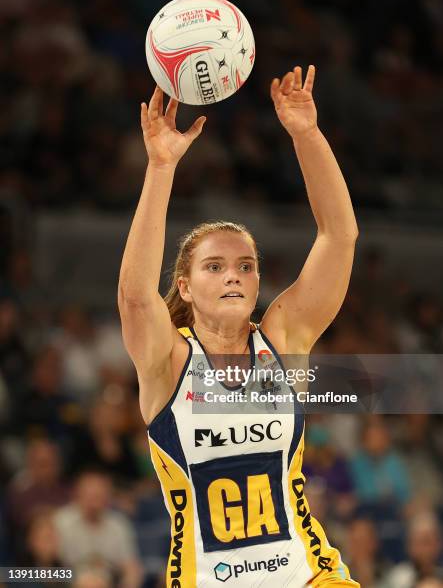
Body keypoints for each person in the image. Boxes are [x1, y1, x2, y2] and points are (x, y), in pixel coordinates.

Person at [118, 66, 359, 587]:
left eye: (245, 266)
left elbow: (339, 237)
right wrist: (161, 166)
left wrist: (307, 134)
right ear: (183, 287)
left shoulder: (283, 340)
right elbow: (136, 297)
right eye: (214, 267)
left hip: (311, 577)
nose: (234, 276)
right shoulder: (168, 363)